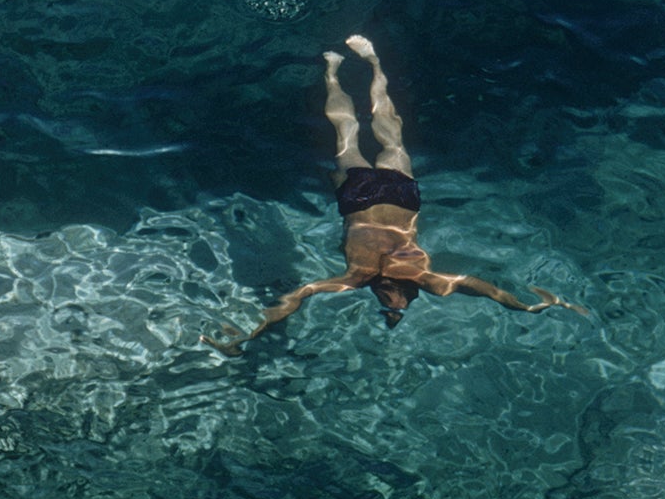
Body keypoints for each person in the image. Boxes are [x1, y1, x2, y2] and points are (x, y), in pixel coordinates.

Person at [203, 35, 586, 353]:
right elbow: (485, 289)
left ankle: (333, 72)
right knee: (389, 127)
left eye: (390, 305)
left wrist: (251, 332)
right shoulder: (426, 278)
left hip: (360, 199)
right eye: (399, 305)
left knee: (346, 131)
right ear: (407, 297)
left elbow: (297, 297)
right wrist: (533, 305)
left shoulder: (358, 277)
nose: (395, 303)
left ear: (382, 296)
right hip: (401, 198)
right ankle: (372, 62)